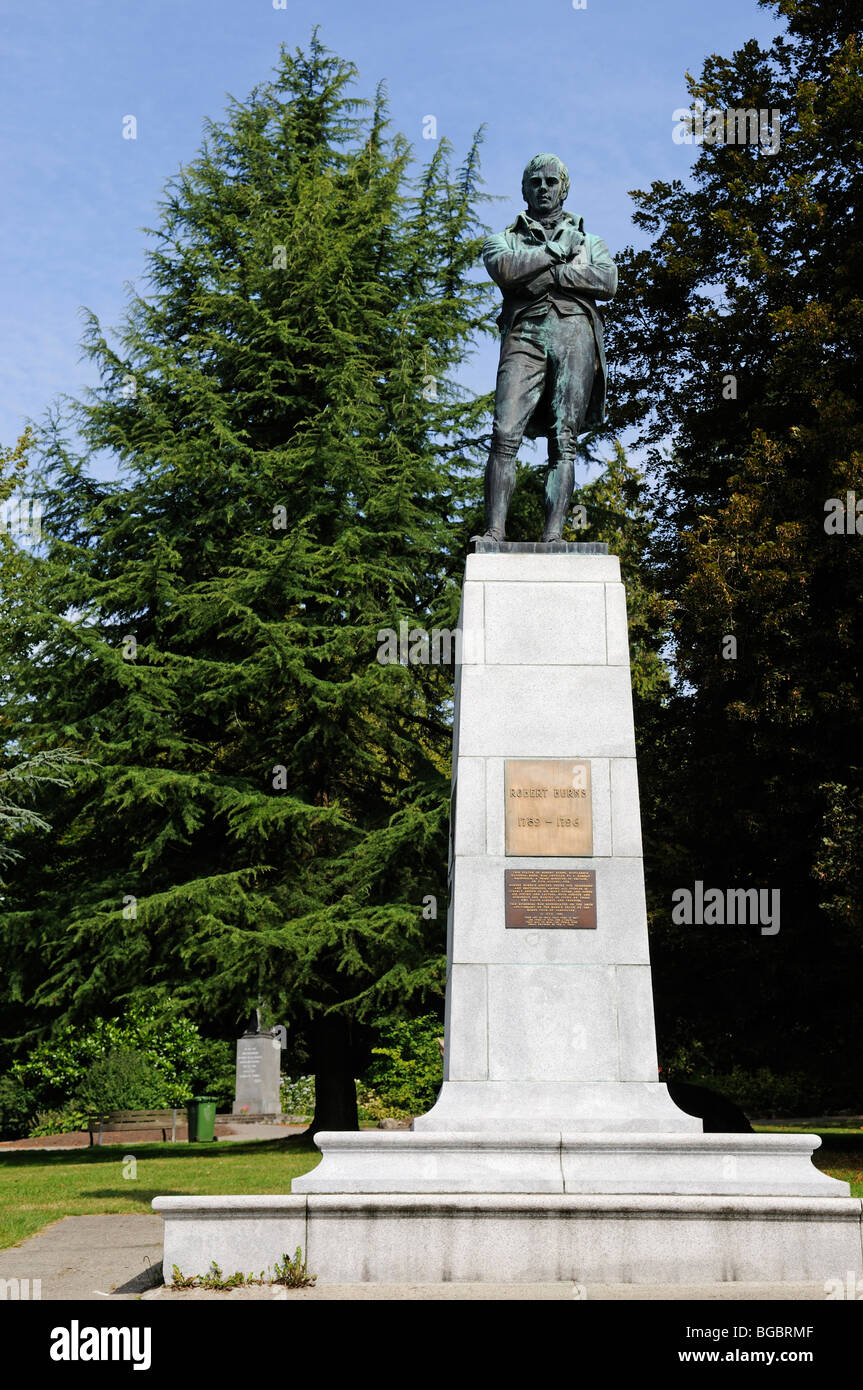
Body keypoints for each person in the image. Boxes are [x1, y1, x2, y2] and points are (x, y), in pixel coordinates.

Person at [481, 153, 618, 542]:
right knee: (504, 431)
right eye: (535, 182)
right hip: (523, 334)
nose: (543, 188)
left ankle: (553, 535)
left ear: (564, 188)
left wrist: (549, 275)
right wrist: (557, 252)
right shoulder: (502, 240)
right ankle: (494, 531)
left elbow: (607, 281)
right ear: (524, 190)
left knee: (564, 439)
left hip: (576, 333)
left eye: (551, 181)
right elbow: (506, 270)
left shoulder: (590, 242)